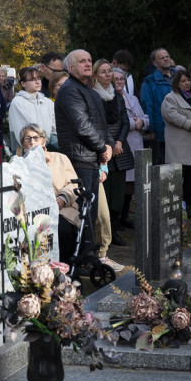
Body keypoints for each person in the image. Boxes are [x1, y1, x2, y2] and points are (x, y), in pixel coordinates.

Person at [53, 49, 119, 271]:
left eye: (90, 60)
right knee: (80, 213)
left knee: (90, 213)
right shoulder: (70, 91)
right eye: (82, 61)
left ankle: (85, 259)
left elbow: (102, 124)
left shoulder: (89, 90)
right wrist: (102, 147)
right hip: (78, 158)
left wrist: (108, 145)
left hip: (91, 157)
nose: (87, 64)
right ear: (70, 68)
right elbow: (82, 125)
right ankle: (75, 262)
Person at [20, 124, 81, 265]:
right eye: (27, 138)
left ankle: (62, 268)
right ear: (22, 143)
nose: (32, 142)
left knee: (61, 230)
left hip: (62, 209)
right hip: (31, 212)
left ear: (44, 141)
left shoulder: (60, 159)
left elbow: (73, 184)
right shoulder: (19, 163)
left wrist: (62, 199)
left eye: (36, 138)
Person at [91, 58, 133, 245]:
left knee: (118, 194)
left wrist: (119, 142)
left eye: (109, 71)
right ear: (95, 75)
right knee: (104, 195)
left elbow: (125, 121)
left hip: (119, 149)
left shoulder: (117, 95)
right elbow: (98, 125)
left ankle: (114, 229)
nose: (108, 75)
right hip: (101, 150)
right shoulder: (92, 95)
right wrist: (110, 144)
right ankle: (102, 233)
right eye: (103, 71)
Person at [161, 70, 191, 218]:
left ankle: (187, 205)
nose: (187, 83)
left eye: (188, 80)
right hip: (178, 145)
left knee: (190, 177)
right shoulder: (170, 98)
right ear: (177, 82)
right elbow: (171, 115)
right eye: (183, 81)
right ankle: (174, 207)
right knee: (176, 178)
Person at [114, 66, 147, 227]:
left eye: (122, 79)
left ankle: (125, 215)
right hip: (123, 144)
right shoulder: (110, 98)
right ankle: (118, 216)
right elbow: (120, 121)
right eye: (116, 79)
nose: (119, 82)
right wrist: (135, 122)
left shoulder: (132, 98)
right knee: (122, 184)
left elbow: (144, 117)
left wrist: (143, 122)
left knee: (131, 185)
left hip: (136, 144)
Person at [8, 65, 55, 154]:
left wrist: (52, 145)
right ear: (23, 83)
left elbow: (54, 126)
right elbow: (23, 132)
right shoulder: (17, 102)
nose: (37, 82)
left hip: (48, 150)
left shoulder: (48, 102)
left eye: (38, 78)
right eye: (32, 79)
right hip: (25, 151)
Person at [140, 47, 175, 164]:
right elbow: (147, 105)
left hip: (181, 131)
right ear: (155, 63)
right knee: (164, 166)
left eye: (167, 57)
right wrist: (149, 129)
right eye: (162, 58)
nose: (166, 59)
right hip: (161, 131)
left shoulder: (179, 77)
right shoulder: (149, 81)